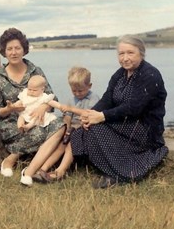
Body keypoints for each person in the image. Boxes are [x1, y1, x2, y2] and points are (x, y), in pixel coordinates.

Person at [69, 35, 168, 188]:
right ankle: (86, 165)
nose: (125, 58)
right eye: (121, 53)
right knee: (85, 128)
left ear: (141, 53)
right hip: (125, 121)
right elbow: (107, 99)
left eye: (130, 53)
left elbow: (134, 108)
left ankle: (118, 174)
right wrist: (90, 114)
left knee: (98, 129)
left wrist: (102, 116)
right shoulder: (120, 74)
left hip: (144, 129)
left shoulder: (150, 74)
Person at [0, 27, 65, 179]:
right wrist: (9, 109)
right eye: (9, 49)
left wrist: (44, 106)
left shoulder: (35, 71)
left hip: (37, 119)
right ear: (4, 52)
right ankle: (16, 157)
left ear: (24, 49)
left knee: (61, 126)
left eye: (17, 48)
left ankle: (17, 158)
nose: (14, 52)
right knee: (43, 133)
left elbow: (52, 98)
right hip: (11, 124)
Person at [30, 66, 100, 183]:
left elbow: (89, 114)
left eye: (80, 90)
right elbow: (67, 115)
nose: (77, 93)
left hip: (85, 128)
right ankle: (43, 169)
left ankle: (59, 172)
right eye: (74, 91)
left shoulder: (94, 98)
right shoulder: (71, 100)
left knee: (70, 145)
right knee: (60, 145)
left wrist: (70, 109)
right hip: (72, 128)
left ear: (89, 86)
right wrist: (67, 124)